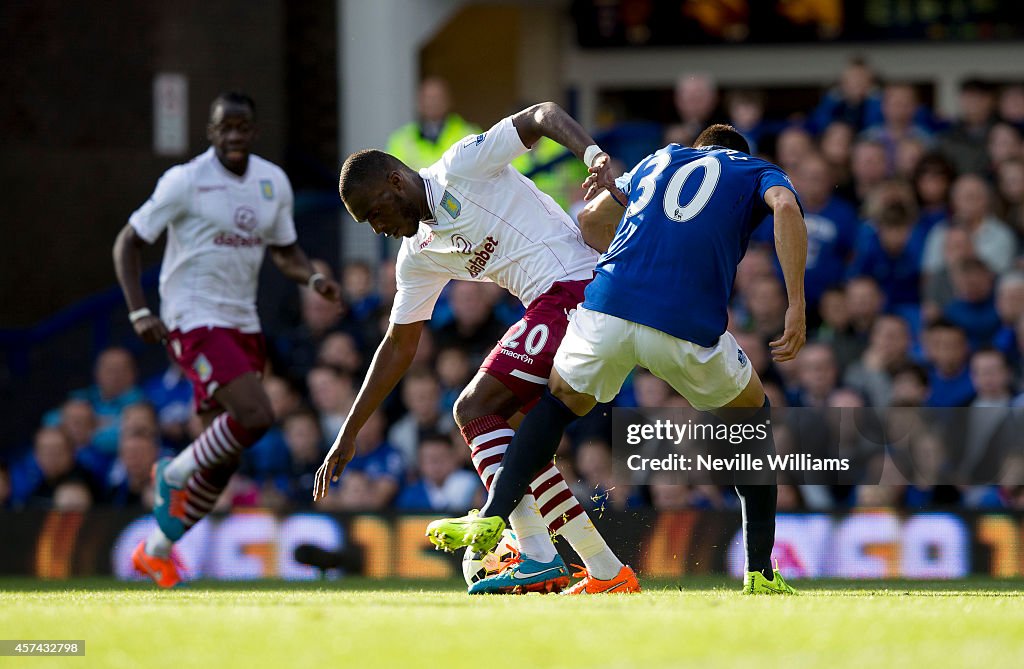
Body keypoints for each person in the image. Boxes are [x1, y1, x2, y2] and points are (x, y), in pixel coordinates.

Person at [427, 124, 808, 596]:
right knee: (752, 417)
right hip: (685, 322)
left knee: (558, 404)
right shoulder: (756, 170)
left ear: (699, 147)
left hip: (608, 305)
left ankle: (493, 514)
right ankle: (760, 573)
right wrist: (796, 304)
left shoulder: (658, 159)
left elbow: (590, 223)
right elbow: (787, 208)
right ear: (737, 153)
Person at [313, 101, 636, 595]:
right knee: (517, 446)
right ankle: (607, 571)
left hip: (577, 285)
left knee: (473, 407)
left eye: (375, 212)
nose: (377, 227)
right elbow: (398, 345)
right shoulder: (417, 256)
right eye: (367, 223)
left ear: (396, 181)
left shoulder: (463, 165)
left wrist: (590, 153)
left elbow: (541, 115)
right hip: (554, 303)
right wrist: (348, 432)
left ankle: (536, 556)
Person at [112, 91, 341, 587]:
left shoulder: (270, 182)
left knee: (223, 461)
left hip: (243, 322)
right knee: (257, 415)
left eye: (243, 127)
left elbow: (284, 251)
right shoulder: (185, 181)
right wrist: (138, 310)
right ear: (211, 132)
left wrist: (312, 279)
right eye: (226, 127)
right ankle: (171, 474)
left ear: (254, 132)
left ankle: (154, 551)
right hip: (192, 318)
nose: (235, 135)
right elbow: (128, 241)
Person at [385, 77, 481, 170]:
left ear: (448, 100)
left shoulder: (470, 135)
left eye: (437, 97)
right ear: (419, 102)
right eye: (428, 98)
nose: (432, 102)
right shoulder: (401, 140)